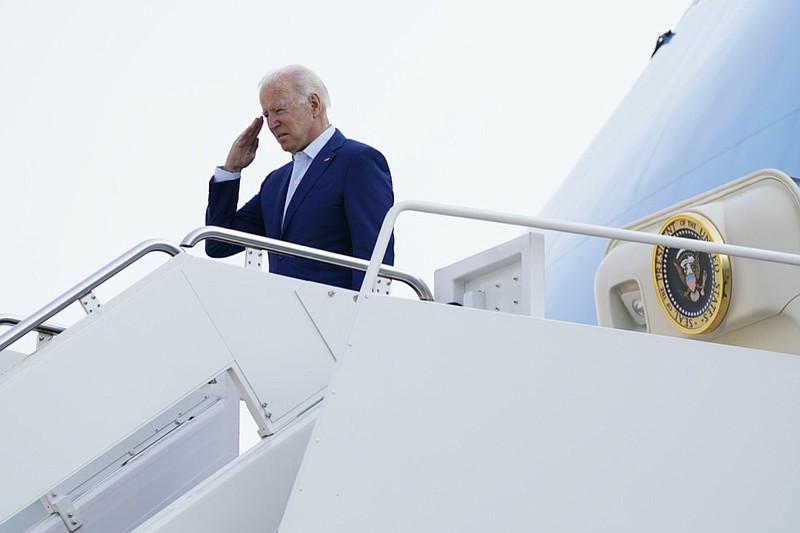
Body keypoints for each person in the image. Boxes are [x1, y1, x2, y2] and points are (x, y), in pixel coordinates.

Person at [205, 65, 395, 291]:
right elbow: (218, 244)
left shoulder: (358, 161)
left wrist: (361, 321)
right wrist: (231, 170)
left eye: (279, 110)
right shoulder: (275, 182)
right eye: (266, 115)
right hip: (283, 316)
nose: (272, 124)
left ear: (314, 104)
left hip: (336, 318)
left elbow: (374, 257)